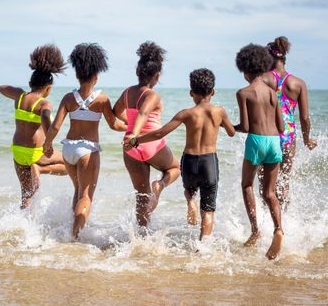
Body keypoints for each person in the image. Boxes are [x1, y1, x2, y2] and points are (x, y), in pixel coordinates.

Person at [124, 69, 235, 240]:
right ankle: (203, 246)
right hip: (209, 162)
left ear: (191, 93)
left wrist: (136, 140)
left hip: (189, 161)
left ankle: (190, 200)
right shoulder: (219, 112)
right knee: (208, 209)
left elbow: (160, 133)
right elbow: (231, 132)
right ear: (213, 92)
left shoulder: (185, 114)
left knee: (189, 190)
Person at [43, 43, 126, 240]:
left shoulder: (68, 98)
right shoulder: (102, 99)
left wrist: (47, 145)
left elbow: (55, 126)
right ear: (96, 76)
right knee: (86, 196)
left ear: (77, 75)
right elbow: (114, 124)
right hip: (87, 151)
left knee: (78, 191)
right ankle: (74, 237)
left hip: (68, 150)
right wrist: (131, 128)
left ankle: (71, 229)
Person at [113, 41, 181, 228]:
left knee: (141, 196)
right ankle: (159, 186)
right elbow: (143, 113)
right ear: (157, 76)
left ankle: (142, 235)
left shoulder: (127, 93)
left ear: (137, 71)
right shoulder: (153, 95)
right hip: (149, 143)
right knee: (174, 169)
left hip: (131, 149)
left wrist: (128, 127)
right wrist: (134, 134)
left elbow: (116, 111)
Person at [0, 44, 68, 209]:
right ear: (48, 87)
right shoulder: (44, 103)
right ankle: (39, 169)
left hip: (18, 151)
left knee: (26, 193)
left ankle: (24, 227)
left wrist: (19, 91)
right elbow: (45, 117)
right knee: (70, 164)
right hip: (35, 153)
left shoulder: (20, 96)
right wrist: (49, 143)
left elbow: (1, 88)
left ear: (31, 82)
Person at [235, 43, 285, 260]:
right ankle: (279, 230)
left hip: (256, 141)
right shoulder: (273, 93)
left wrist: (226, 126)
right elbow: (282, 127)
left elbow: (245, 127)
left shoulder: (244, 92)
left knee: (247, 185)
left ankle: (255, 230)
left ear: (245, 71)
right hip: (275, 141)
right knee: (270, 192)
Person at [262, 36, 317, 210]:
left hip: (267, 135)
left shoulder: (263, 80)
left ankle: (269, 223)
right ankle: (285, 224)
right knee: (284, 182)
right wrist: (307, 139)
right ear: (284, 58)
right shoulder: (299, 84)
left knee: (265, 185)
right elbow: (305, 118)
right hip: (287, 136)